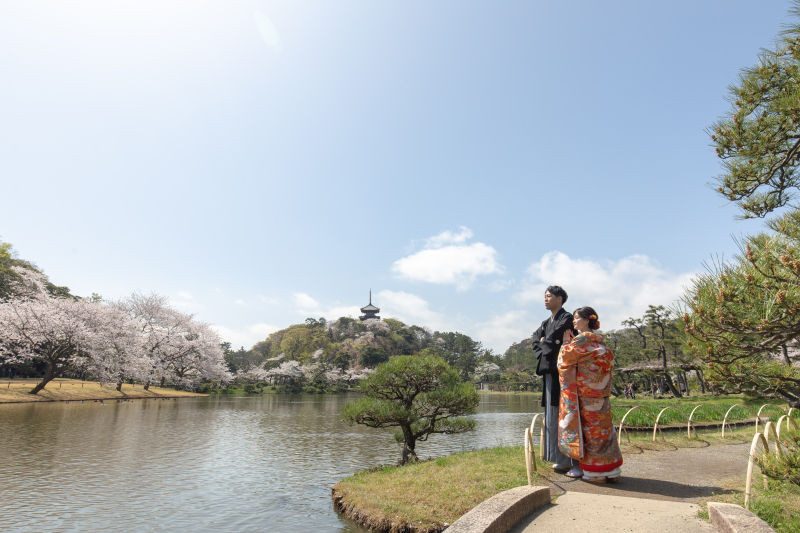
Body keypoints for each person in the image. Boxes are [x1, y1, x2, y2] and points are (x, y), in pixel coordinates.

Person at [557, 306, 623, 483]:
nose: (574, 321)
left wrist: (565, 345)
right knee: (605, 430)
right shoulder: (601, 342)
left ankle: (596, 473)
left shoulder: (580, 341)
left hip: (585, 394)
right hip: (600, 394)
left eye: (577, 318)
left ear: (587, 320)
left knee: (590, 430)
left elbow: (564, 360)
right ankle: (612, 470)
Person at [531, 285, 576, 473]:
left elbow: (552, 339)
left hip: (563, 373)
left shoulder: (566, 319)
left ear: (560, 299)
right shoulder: (545, 322)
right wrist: (542, 344)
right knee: (552, 415)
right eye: (545, 296)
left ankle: (568, 458)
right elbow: (536, 338)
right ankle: (557, 457)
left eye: (549, 296)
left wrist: (544, 343)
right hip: (550, 372)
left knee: (563, 414)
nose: (545, 299)